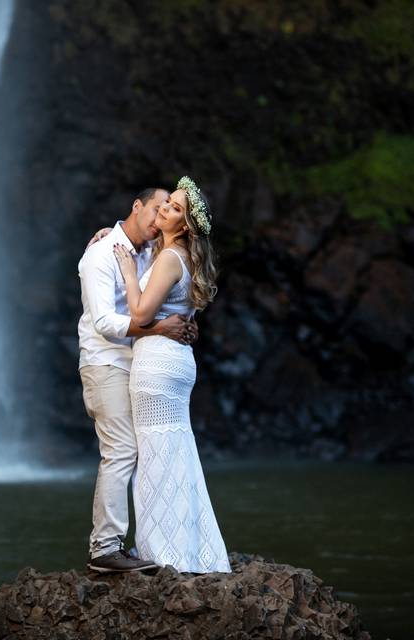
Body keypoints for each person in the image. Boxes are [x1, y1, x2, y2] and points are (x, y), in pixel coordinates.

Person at [112, 176, 231, 573]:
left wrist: (129, 274)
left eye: (175, 208)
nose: (164, 208)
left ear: (185, 225)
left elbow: (142, 315)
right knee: (176, 451)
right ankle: (193, 546)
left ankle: (165, 552)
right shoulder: (183, 257)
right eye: (166, 203)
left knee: (154, 456)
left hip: (157, 364)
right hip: (177, 363)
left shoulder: (167, 258)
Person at [77, 187, 199, 573]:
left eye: (168, 209)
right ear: (136, 206)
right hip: (105, 363)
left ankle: (151, 540)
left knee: (146, 451)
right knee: (122, 450)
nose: (160, 216)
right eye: (156, 209)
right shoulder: (101, 254)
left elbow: (170, 289)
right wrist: (159, 329)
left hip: (140, 366)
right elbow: (104, 323)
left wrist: (181, 324)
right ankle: (104, 548)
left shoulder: (150, 250)